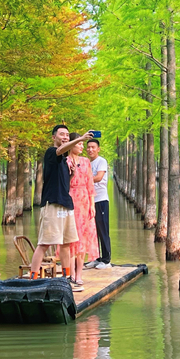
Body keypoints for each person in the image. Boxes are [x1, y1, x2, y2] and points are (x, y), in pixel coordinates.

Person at [29, 124, 92, 290]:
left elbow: (64, 182)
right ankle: (32, 280)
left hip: (66, 204)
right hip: (52, 204)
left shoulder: (65, 160)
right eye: (62, 134)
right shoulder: (52, 152)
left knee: (65, 244)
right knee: (44, 243)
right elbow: (59, 151)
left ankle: (66, 280)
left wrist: (71, 173)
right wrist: (80, 138)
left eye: (67, 135)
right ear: (54, 137)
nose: (65, 137)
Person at [67, 132, 99, 289]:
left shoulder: (86, 161)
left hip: (84, 200)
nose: (82, 147)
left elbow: (90, 184)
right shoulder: (65, 161)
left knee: (82, 239)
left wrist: (92, 205)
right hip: (70, 199)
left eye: (82, 144)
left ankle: (79, 274)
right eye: (79, 143)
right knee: (71, 239)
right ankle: (71, 274)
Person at [86, 139, 112, 269]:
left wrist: (83, 180)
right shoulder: (87, 163)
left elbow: (98, 177)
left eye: (93, 147)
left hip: (101, 200)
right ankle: (95, 257)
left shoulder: (101, 161)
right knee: (92, 231)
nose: (90, 149)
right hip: (89, 201)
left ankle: (106, 260)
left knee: (103, 230)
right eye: (88, 147)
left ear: (98, 149)